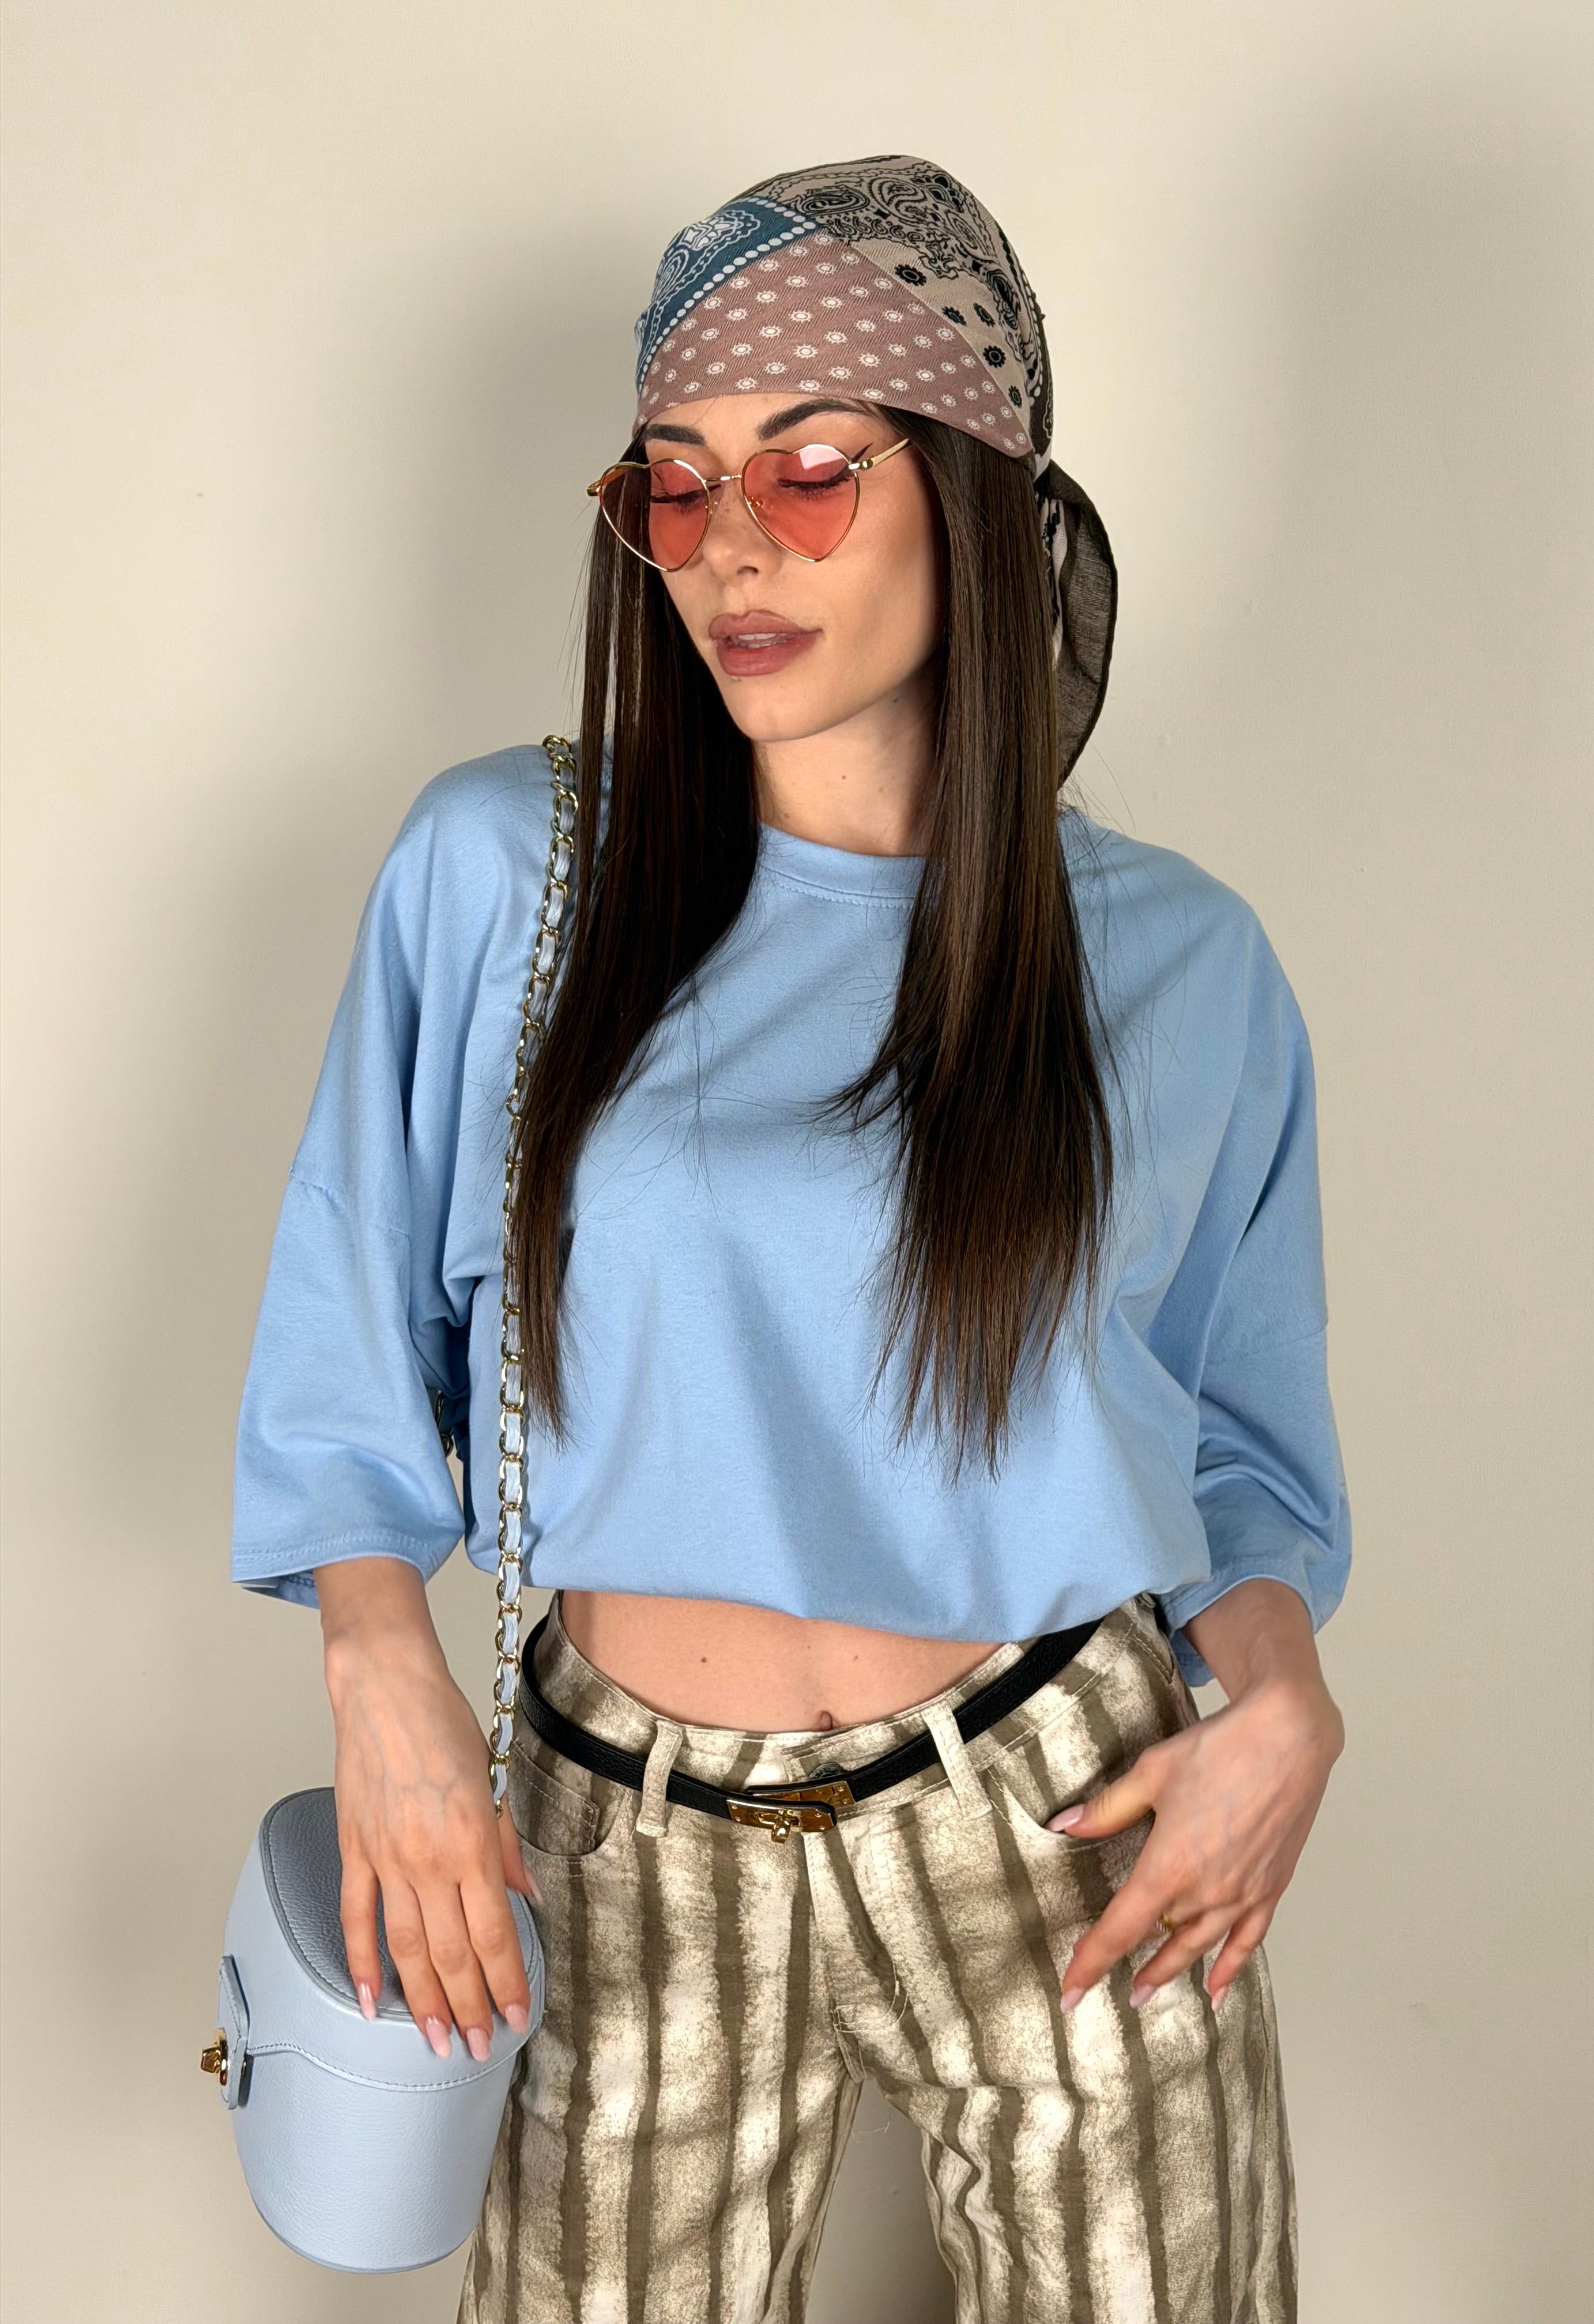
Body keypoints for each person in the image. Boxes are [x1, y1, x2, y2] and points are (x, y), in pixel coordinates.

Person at [231, 153, 1352, 2324]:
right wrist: (382, 1677)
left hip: (1071, 1812)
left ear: (974, 498)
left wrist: (1286, 1696)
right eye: (675, 484)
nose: (731, 546)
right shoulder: (505, 876)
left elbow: (1233, 1445)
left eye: (812, 472)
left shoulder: (1184, 964)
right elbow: (345, 1352)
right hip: (618, 1837)